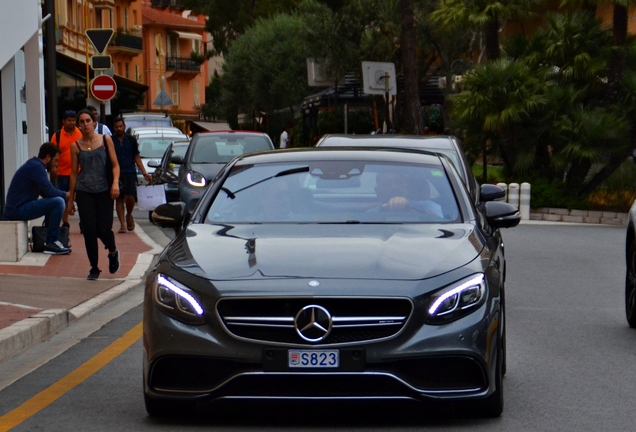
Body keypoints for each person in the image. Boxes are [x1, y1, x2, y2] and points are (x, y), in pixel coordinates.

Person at [67, 109, 120, 280]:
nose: (85, 124)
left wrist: (115, 183)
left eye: (88, 120)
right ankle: (94, 268)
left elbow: (115, 165)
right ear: (78, 125)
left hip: (104, 189)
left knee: (104, 229)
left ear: (93, 122)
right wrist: (71, 199)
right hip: (84, 191)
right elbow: (74, 173)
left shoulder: (106, 140)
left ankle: (112, 251)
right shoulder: (75, 146)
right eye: (81, 121)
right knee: (89, 230)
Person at [2, 143, 71, 255]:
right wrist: (67, 195)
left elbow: (47, 194)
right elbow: (49, 191)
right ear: (48, 157)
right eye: (56, 160)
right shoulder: (36, 167)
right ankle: (51, 242)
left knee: (56, 200)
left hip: (18, 208)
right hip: (17, 210)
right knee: (58, 202)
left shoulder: (36, 166)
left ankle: (50, 239)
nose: (56, 164)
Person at [112, 117, 152, 233]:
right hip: (116, 173)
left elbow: (136, 157)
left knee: (130, 197)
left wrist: (144, 172)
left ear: (124, 126)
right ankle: (123, 224)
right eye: (116, 127)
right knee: (119, 198)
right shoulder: (110, 140)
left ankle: (129, 215)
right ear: (114, 128)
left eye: (121, 126)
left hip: (129, 172)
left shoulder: (131, 140)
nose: (119, 129)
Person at [50, 109, 82, 229]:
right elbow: (53, 154)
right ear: (63, 121)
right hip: (62, 173)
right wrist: (54, 168)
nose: (71, 122)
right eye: (69, 120)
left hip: (78, 172)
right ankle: (65, 222)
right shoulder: (57, 136)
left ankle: (83, 222)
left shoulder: (80, 134)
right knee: (64, 198)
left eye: (73, 120)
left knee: (80, 198)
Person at [369, 171, 444, 218]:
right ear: (378, 192)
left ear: (406, 186)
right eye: (386, 184)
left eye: (398, 182)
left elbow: (440, 223)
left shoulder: (429, 206)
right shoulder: (371, 214)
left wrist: (409, 205)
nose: (393, 187)